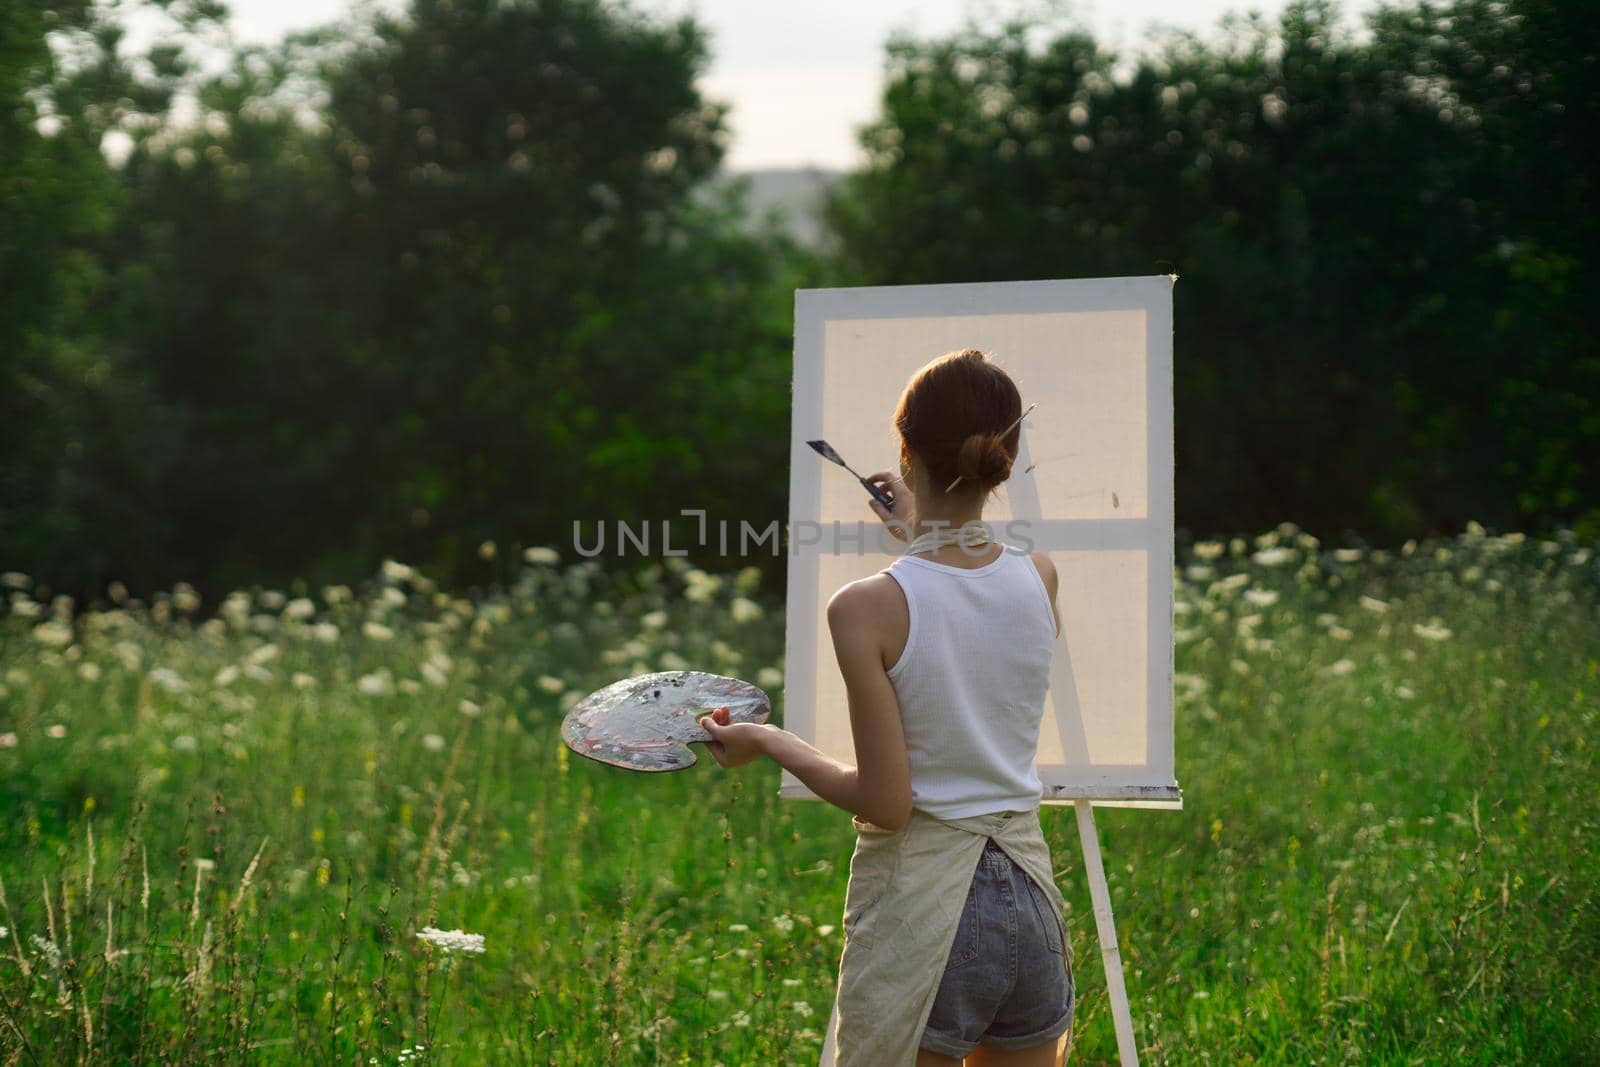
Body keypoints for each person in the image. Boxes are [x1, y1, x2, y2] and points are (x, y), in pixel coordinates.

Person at [699, 348, 1075, 1066]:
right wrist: (920, 529)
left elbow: (887, 802)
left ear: (905, 453)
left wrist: (771, 739)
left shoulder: (865, 609)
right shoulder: (1042, 577)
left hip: (932, 913)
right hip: (1031, 902)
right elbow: (971, 600)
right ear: (1007, 455)